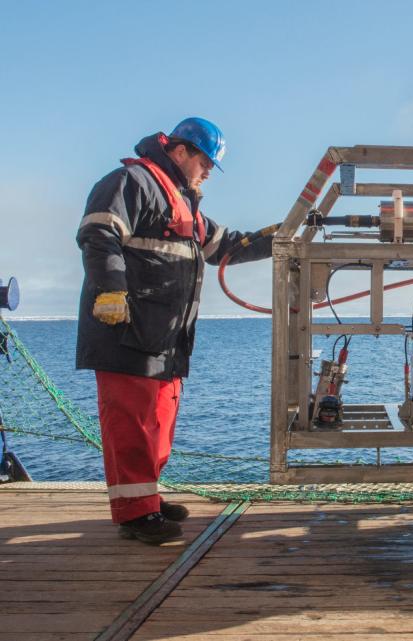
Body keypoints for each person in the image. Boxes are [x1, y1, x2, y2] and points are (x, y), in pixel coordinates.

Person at [76, 117, 274, 545]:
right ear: (181, 151)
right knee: (130, 424)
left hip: (164, 340)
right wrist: (111, 292)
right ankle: (134, 515)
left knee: (157, 425)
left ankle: (146, 499)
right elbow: (98, 233)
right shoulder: (132, 181)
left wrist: (277, 239)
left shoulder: (182, 203)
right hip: (126, 331)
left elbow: (225, 247)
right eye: (205, 163)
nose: (207, 173)